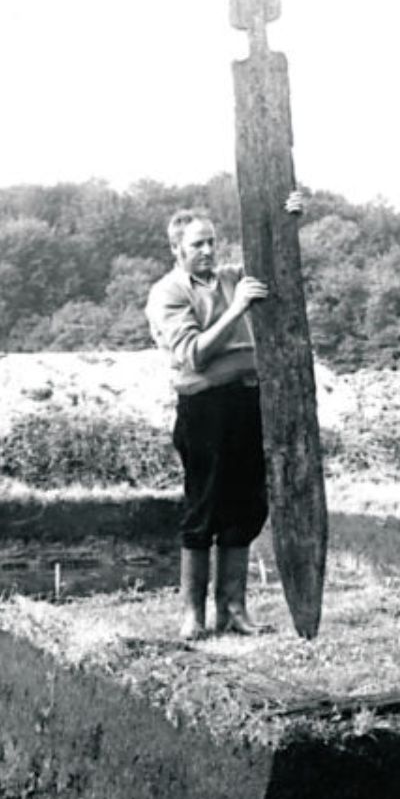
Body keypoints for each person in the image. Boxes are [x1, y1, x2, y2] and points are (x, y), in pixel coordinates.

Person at [145, 192, 304, 639]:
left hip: (250, 402)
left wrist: (287, 217)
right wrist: (236, 311)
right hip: (204, 408)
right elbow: (193, 354)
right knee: (204, 507)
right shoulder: (168, 293)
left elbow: (277, 263)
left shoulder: (233, 277)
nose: (208, 252)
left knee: (246, 505)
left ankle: (232, 607)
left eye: (212, 242)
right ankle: (192, 612)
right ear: (177, 249)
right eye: (197, 245)